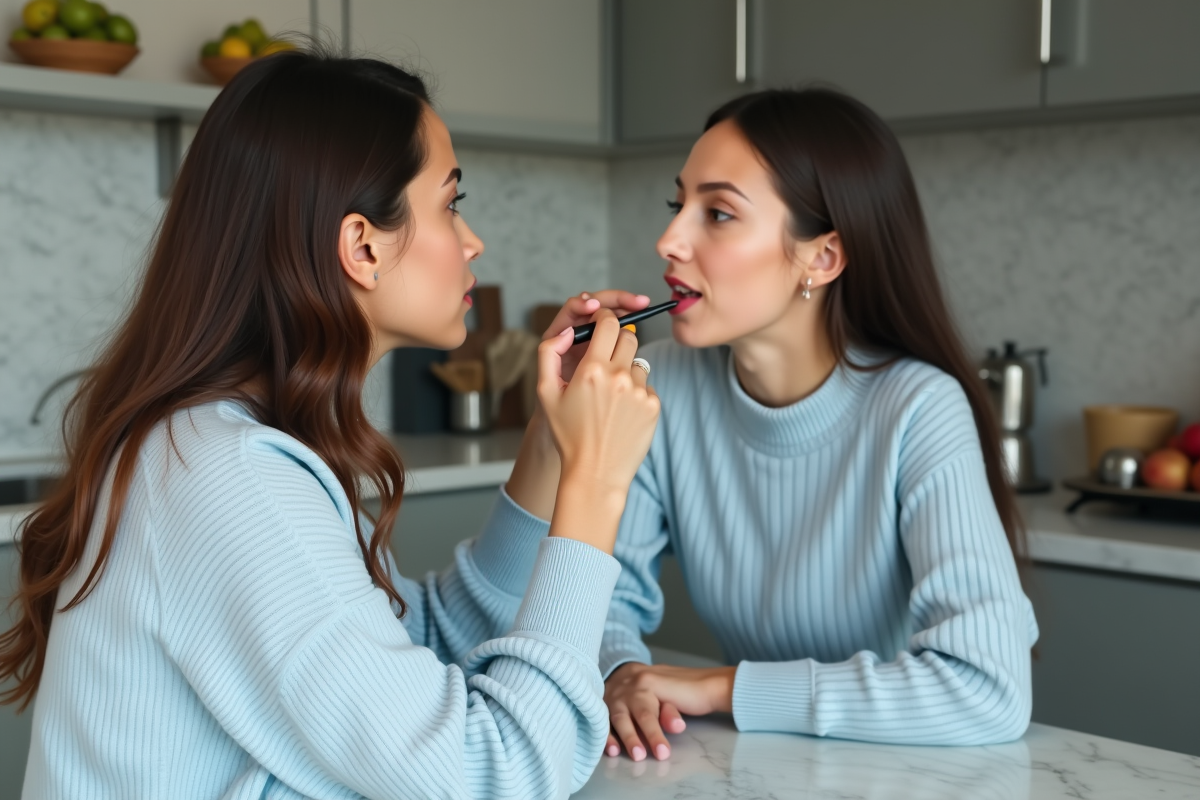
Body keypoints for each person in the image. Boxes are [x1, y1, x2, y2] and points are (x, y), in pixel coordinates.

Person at [0, 50, 660, 799]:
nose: (470, 240)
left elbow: (424, 646)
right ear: (362, 246)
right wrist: (597, 482)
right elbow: (493, 771)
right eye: (449, 203)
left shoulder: (221, 448)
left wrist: (551, 445)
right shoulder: (230, 479)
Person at [597, 88, 1039, 760]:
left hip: (906, 768)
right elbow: (600, 601)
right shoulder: (661, 388)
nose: (669, 239)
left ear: (822, 258)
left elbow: (987, 688)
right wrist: (622, 675)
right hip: (753, 767)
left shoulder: (919, 408)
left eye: (717, 213)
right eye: (676, 204)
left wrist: (726, 689)